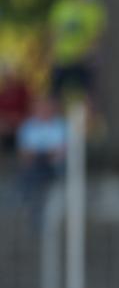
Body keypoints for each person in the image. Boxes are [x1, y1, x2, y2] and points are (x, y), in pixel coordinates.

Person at [16, 96, 66, 229]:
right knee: (33, 172)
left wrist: (42, 152)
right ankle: (31, 208)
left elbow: (61, 150)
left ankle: (28, 201)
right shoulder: (28, 126)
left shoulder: (60, 125)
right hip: (36, 163)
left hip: (53, 164)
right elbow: (25, 152)